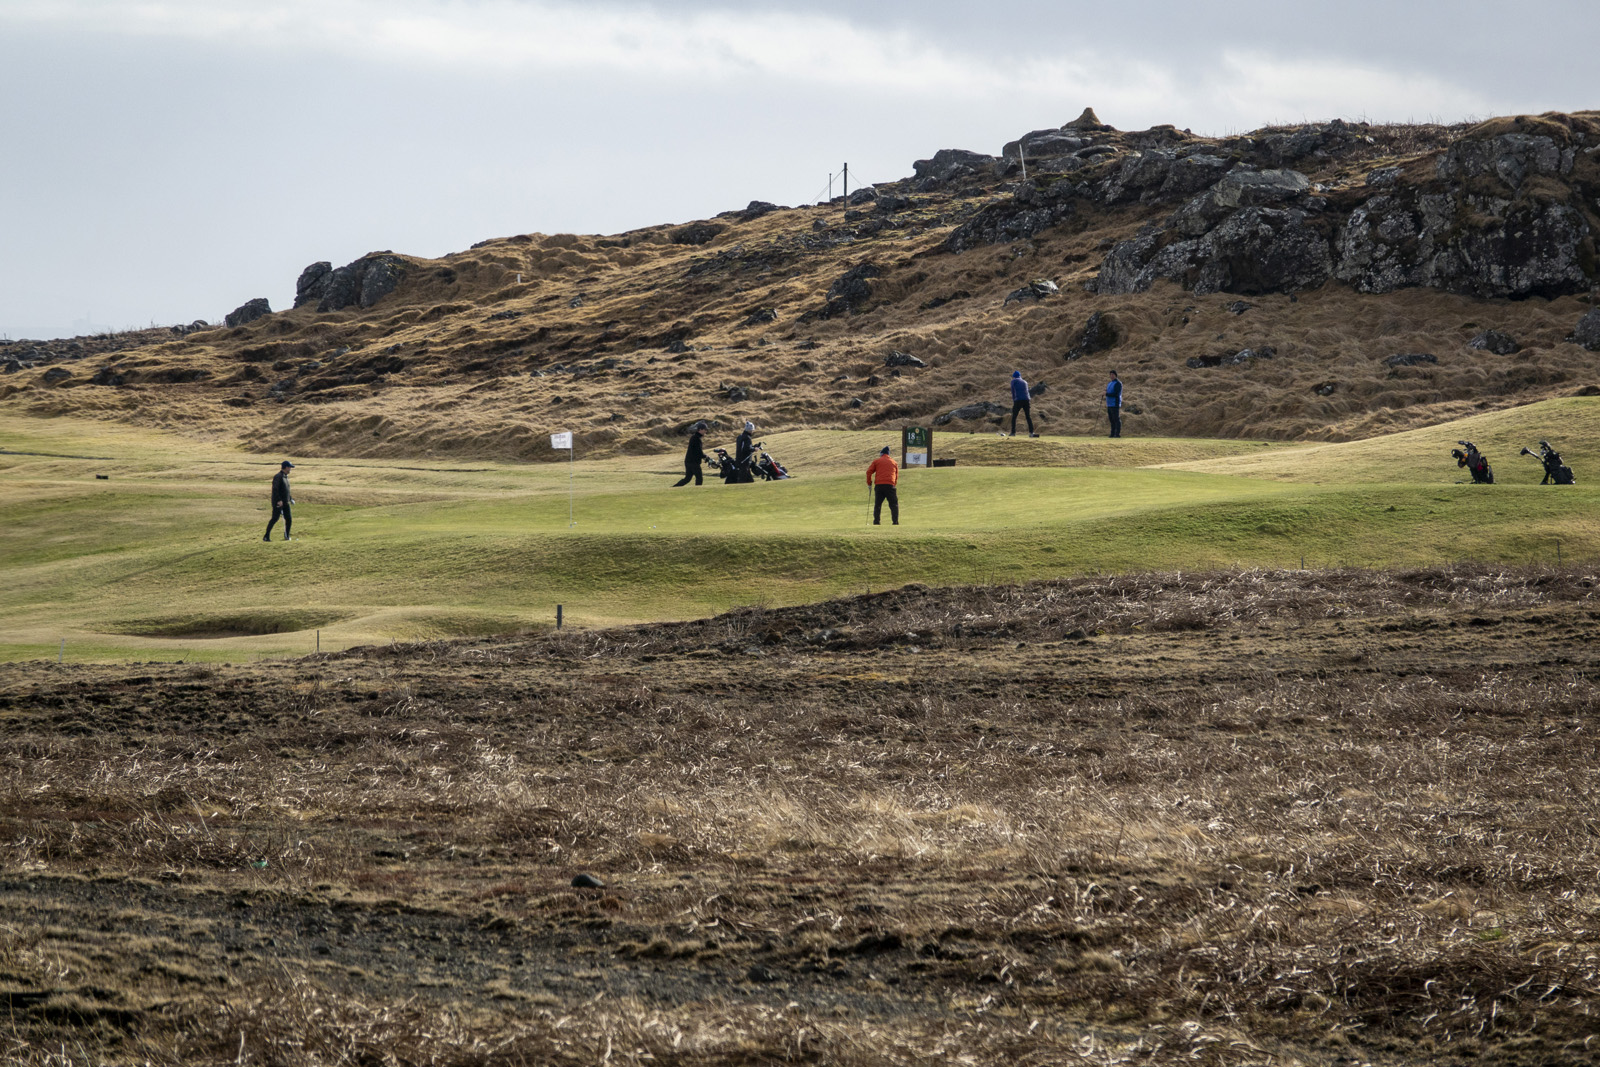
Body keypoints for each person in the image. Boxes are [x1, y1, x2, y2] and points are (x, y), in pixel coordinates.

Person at [867, 446, 899, 525]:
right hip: (890, 485)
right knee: (893, 504)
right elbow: (896, 475)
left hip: (879, 486)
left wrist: (869, 483)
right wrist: (893, 484)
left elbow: (869, 472)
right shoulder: (894, 462)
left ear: (881, 454)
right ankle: (895, 522)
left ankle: (876, 522)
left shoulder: (877, 461)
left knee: (877, 504)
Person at [264, 460, 295, 541]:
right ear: (285, 467)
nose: (290, 469)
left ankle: (287, 535)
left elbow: (286, 490)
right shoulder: (278, 476)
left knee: (289, 519)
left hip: (285, 501)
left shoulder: (285, 477)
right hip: (278, 502)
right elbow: (275, 489)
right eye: (289, 467)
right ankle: (266, 536)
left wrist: (290, 498)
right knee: (275, 518)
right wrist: (278, 500)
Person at [673, 422, 707, 486]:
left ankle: (674, 487)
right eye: (705, 429)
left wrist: (704, 457)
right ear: (700, 430)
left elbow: (697, 451)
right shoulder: (696, 438)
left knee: (687, 478)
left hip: (689, 461)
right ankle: (697, 491)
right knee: (699, 478)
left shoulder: (694, 437)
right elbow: (698, 451)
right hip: (693, 462)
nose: (706, 431)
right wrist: (705, 457)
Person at [1008, 371, 1037, 437]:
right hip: (1026, 400)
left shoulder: (1014, 381)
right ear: (1020, 376)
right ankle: (1031, 432)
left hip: (1018, 400)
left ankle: (1013, 432)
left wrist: (1014, 400)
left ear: (1014, 376)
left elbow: (1013, 391)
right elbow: (1027, 392)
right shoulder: (1025, 382)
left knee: (1014, 416)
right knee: (1028, 416)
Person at [1105, 371, 1123, 438]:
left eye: (1113, 374)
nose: (1111, 376)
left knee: (1116, 419)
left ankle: (1117, 434)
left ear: (1116, 375)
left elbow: (1116, 394)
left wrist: (1106, 394)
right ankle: (1112, 434)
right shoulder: (1109, 383)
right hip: (1109, 404)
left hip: (1115, 403)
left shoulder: (1118, 383)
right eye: (1110, 375)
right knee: (1111, 420)